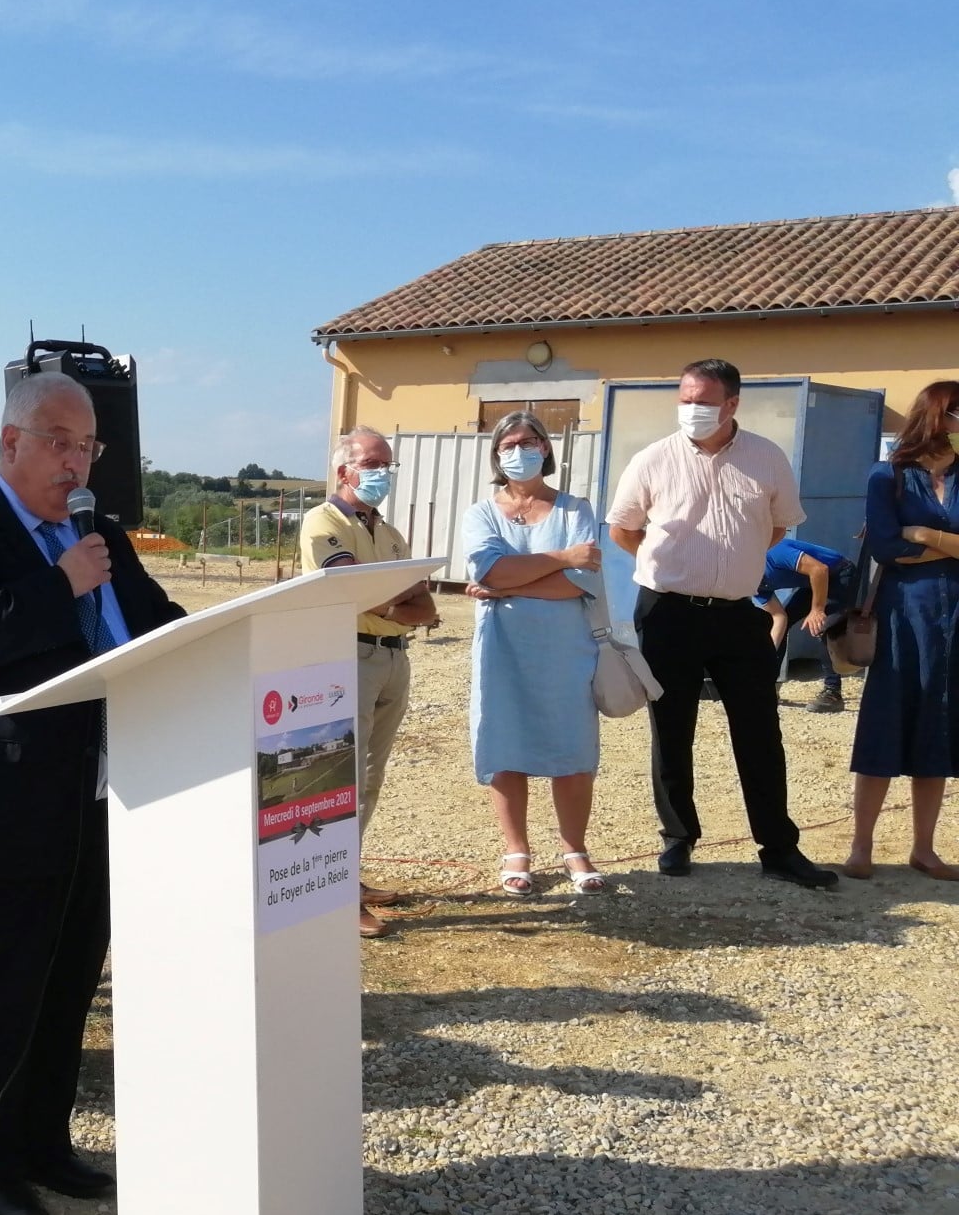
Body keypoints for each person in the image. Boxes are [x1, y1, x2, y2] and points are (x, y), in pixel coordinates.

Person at [0, 372, 183, 1215]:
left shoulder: (100, 534)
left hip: (95, 795)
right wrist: (59, 584)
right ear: (10, 444)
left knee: (66, 986)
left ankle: (46, 1144)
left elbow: (156, 620)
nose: (76, 463)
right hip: (1, 805)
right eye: (60, 443)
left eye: (88, 446)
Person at [605, 358, 836, 888]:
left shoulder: (766, 457)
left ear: (732, 403)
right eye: (685, 400)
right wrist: (672, 563)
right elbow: (623, 529)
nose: (692, 410)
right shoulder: (652, 459)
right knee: (671, 726)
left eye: (704, 402)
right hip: (667, 611)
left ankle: (778, 848)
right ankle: (678, 837)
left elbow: (776, 527)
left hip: (738, 613)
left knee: (759, 729)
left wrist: (732, 562)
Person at [297, 425, 440, 937]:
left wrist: (388, 604)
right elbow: (350, 588)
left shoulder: (390, 533)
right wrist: (389, 600)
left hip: (393, 658)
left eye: (388, 465)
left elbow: (425, 606)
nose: (384, 473)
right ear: (345, 471)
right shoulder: (323, 521)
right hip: (347, 656)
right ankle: (330, 892)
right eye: (374, 464)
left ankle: (345, 877)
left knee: (370, 778)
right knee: (342, 778)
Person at [459, 412, 606, 896]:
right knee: (505, 741)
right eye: (508, 444)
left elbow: (580, 582)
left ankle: (574, 848)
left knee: (572, 746)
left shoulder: (575, 509)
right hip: (502, 648)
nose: (519, 451)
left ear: (545, 448)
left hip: (565, 648)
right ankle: (516, 849)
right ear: (496, 454)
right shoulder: (481, 513)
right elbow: (489, 570)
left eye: (529, 441)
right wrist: (560, 559)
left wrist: (507, 584)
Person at [843, 381, 959, 880]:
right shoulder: (887, 473)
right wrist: (950, 545)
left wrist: (926, 534)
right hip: (901, 614)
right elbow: (887, 546)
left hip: (954, 615)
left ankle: (924, 849)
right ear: (937, 416)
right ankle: (861, 846)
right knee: (885, 720)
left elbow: (908, 540)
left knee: (940, 721)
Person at [755, 536, 854, 712]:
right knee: (782, 620)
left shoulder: (773, 552)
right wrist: (767, 655)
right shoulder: (752, 585)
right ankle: (770, 687)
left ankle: (832, 693)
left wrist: (817, 609)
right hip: (813, 582)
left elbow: (819, 569)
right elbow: (779, 618)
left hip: (838, 573)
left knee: (823, 626)